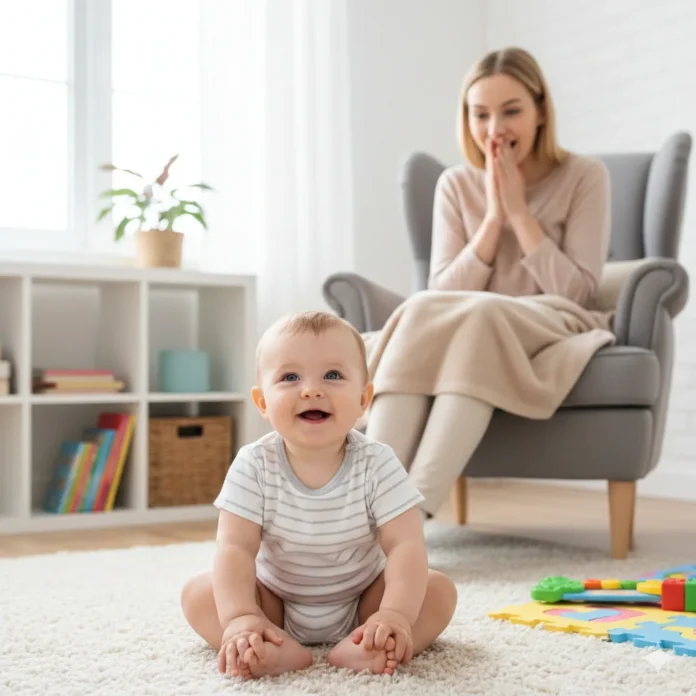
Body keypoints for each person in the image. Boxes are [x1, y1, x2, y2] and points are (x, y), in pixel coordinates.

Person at [365, 46, 611, 519]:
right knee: (422, 310)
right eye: (481, 114)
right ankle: (368, 510)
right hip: (473, 325)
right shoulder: (455, 185)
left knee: (479, 313)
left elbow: (578, 291)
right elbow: (442, 292)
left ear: (541, 111)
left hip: (553, 320)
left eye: (511, 111)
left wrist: (519, 211)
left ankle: (409, 519)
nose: (494, 129)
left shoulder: (584, 176)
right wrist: (493, 218)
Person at [180, 311, 457, 680]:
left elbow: (405, 545)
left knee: (438, 590)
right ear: (262, 403)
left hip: (365, 602)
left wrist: (394, 615)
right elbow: (235, 548)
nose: (311, 389)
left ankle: (372, 645)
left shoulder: (378, 462)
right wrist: (241, 616)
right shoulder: (253, 464)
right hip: (273, 602)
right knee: (198, 593)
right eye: (290, 377)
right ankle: (265, 644)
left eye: (333, 375)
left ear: (363, 399)